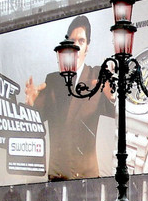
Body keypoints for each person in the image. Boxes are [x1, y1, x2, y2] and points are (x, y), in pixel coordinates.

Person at [25, 15, 115, 181]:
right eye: (72, 41)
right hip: (58, 177)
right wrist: (32, 103)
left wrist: (113, 96)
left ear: (87, 47)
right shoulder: (53, 80)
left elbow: (118, 116)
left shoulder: (97, 75)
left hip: (87, 178)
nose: (76, 46)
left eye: (81, 41)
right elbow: (37, 120)